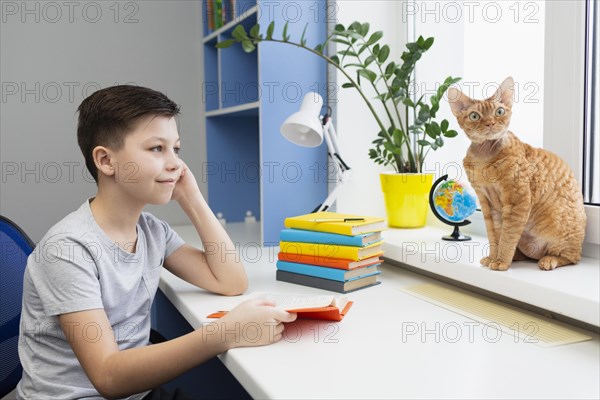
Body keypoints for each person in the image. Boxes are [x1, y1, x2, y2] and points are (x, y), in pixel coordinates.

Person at [16, 85, 296, 399]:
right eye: (156, 149)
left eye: (176, 149)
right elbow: (108, 377)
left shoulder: (150, 230)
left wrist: (191, 197)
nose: (175, 162)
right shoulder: (67, 250)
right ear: (106, 161)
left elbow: (229, 281)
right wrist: (226, 333)